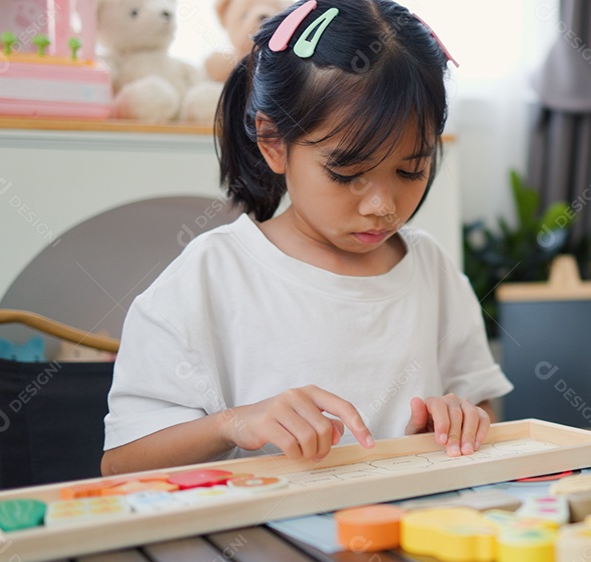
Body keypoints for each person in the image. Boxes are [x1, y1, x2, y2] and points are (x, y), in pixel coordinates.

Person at [101, 0, 512, 475]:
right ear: (274, 142)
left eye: (411, 170)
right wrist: (233, 423)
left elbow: (483, 407)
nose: (382, 205)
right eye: (348, 173)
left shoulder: (429, 268)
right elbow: (121, 464)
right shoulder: (211, 276)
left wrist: (460, 420)